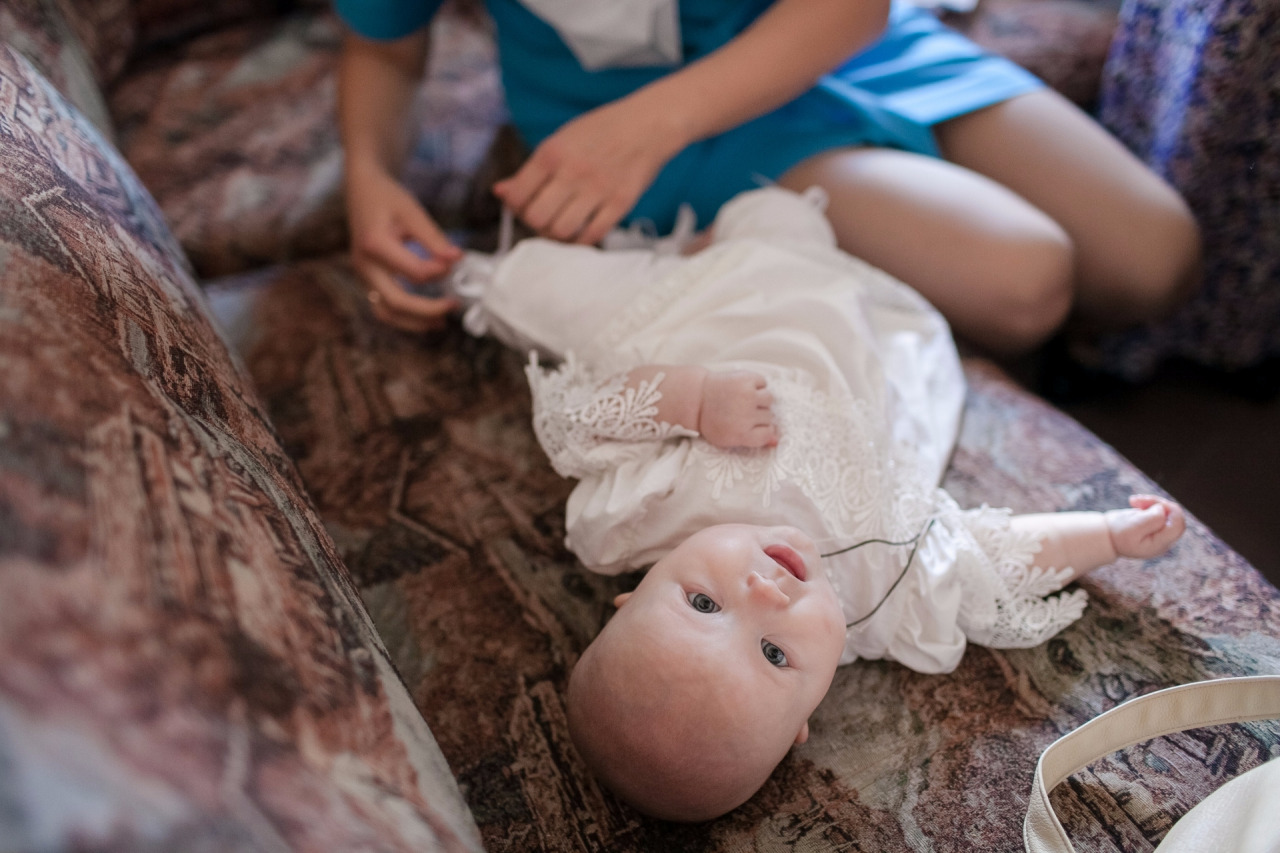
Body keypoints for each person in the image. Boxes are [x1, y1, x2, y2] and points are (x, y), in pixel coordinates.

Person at [447, 185, 1187, 821]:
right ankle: (738, 237)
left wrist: (693, 400)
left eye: (703, 603)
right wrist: (1108, 535)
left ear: (630, 594)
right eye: (774, 652)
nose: (764, 593)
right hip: (821, 318)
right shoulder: (882, 594)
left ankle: (470, 269)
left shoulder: (628, 522)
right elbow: (987, 561)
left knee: (537, 285)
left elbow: (585, 420)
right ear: (807, 716)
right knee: (781, 219)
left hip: (691, 321)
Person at [334, 0, 1201, 354]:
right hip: (611, 118)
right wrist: (368, 176)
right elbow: (384, 46)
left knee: (1154, 254)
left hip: (824, 35)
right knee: (1026, 275)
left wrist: (656, 122)